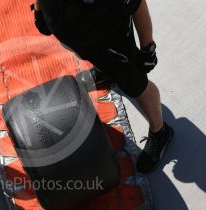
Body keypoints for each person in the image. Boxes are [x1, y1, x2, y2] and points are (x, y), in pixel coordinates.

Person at [33, 0, 174, 173]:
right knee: (95, 57)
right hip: (75, 34)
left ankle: (160, 131)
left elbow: (137, 5)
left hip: (112, 41)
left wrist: (147, 49)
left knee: (136, 85)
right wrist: (40, 12)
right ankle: (105, 71)